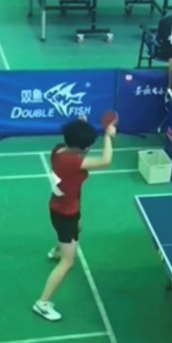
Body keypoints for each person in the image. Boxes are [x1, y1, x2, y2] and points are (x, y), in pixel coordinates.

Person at [33, 118, 116, 322]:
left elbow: (78, 148)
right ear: (82, 147)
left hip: (60, 206)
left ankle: (57, 250)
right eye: (89, 145)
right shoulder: (72, 162)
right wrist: (108, 136)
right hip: (65, 214)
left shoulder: (59, 150)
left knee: (78, 227)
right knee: (68, 262)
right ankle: (42, 303)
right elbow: (105, 161)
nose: (90, 148)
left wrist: (81, 127)